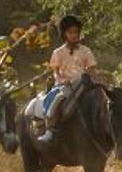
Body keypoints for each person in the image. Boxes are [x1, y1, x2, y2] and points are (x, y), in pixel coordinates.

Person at [39, 14, 99, 144]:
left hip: (83, 83)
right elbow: (55, 72)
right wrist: (61, 80)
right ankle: (49, 129)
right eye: (70, 32)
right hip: (64, 85)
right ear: (64, 34)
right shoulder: (58, 52)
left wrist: (94, 79)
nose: (74, 35)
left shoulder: (86, 51)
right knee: (57, 99)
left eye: (76, 32)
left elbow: (92, 69)